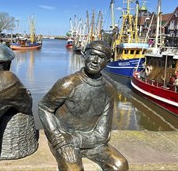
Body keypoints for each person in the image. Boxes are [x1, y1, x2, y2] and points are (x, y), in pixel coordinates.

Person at [38, 40, 129, 171]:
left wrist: (77, 140)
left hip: (91, 142)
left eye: (101, 57)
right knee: (73, 169)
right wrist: (56, 136)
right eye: (92, 54)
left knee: (120, 165)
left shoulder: (108, 90)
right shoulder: (68, 83)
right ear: (84, 55)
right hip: (64, 139)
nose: (95, 60)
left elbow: (103, 134)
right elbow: (44, 108)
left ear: (107, 62)